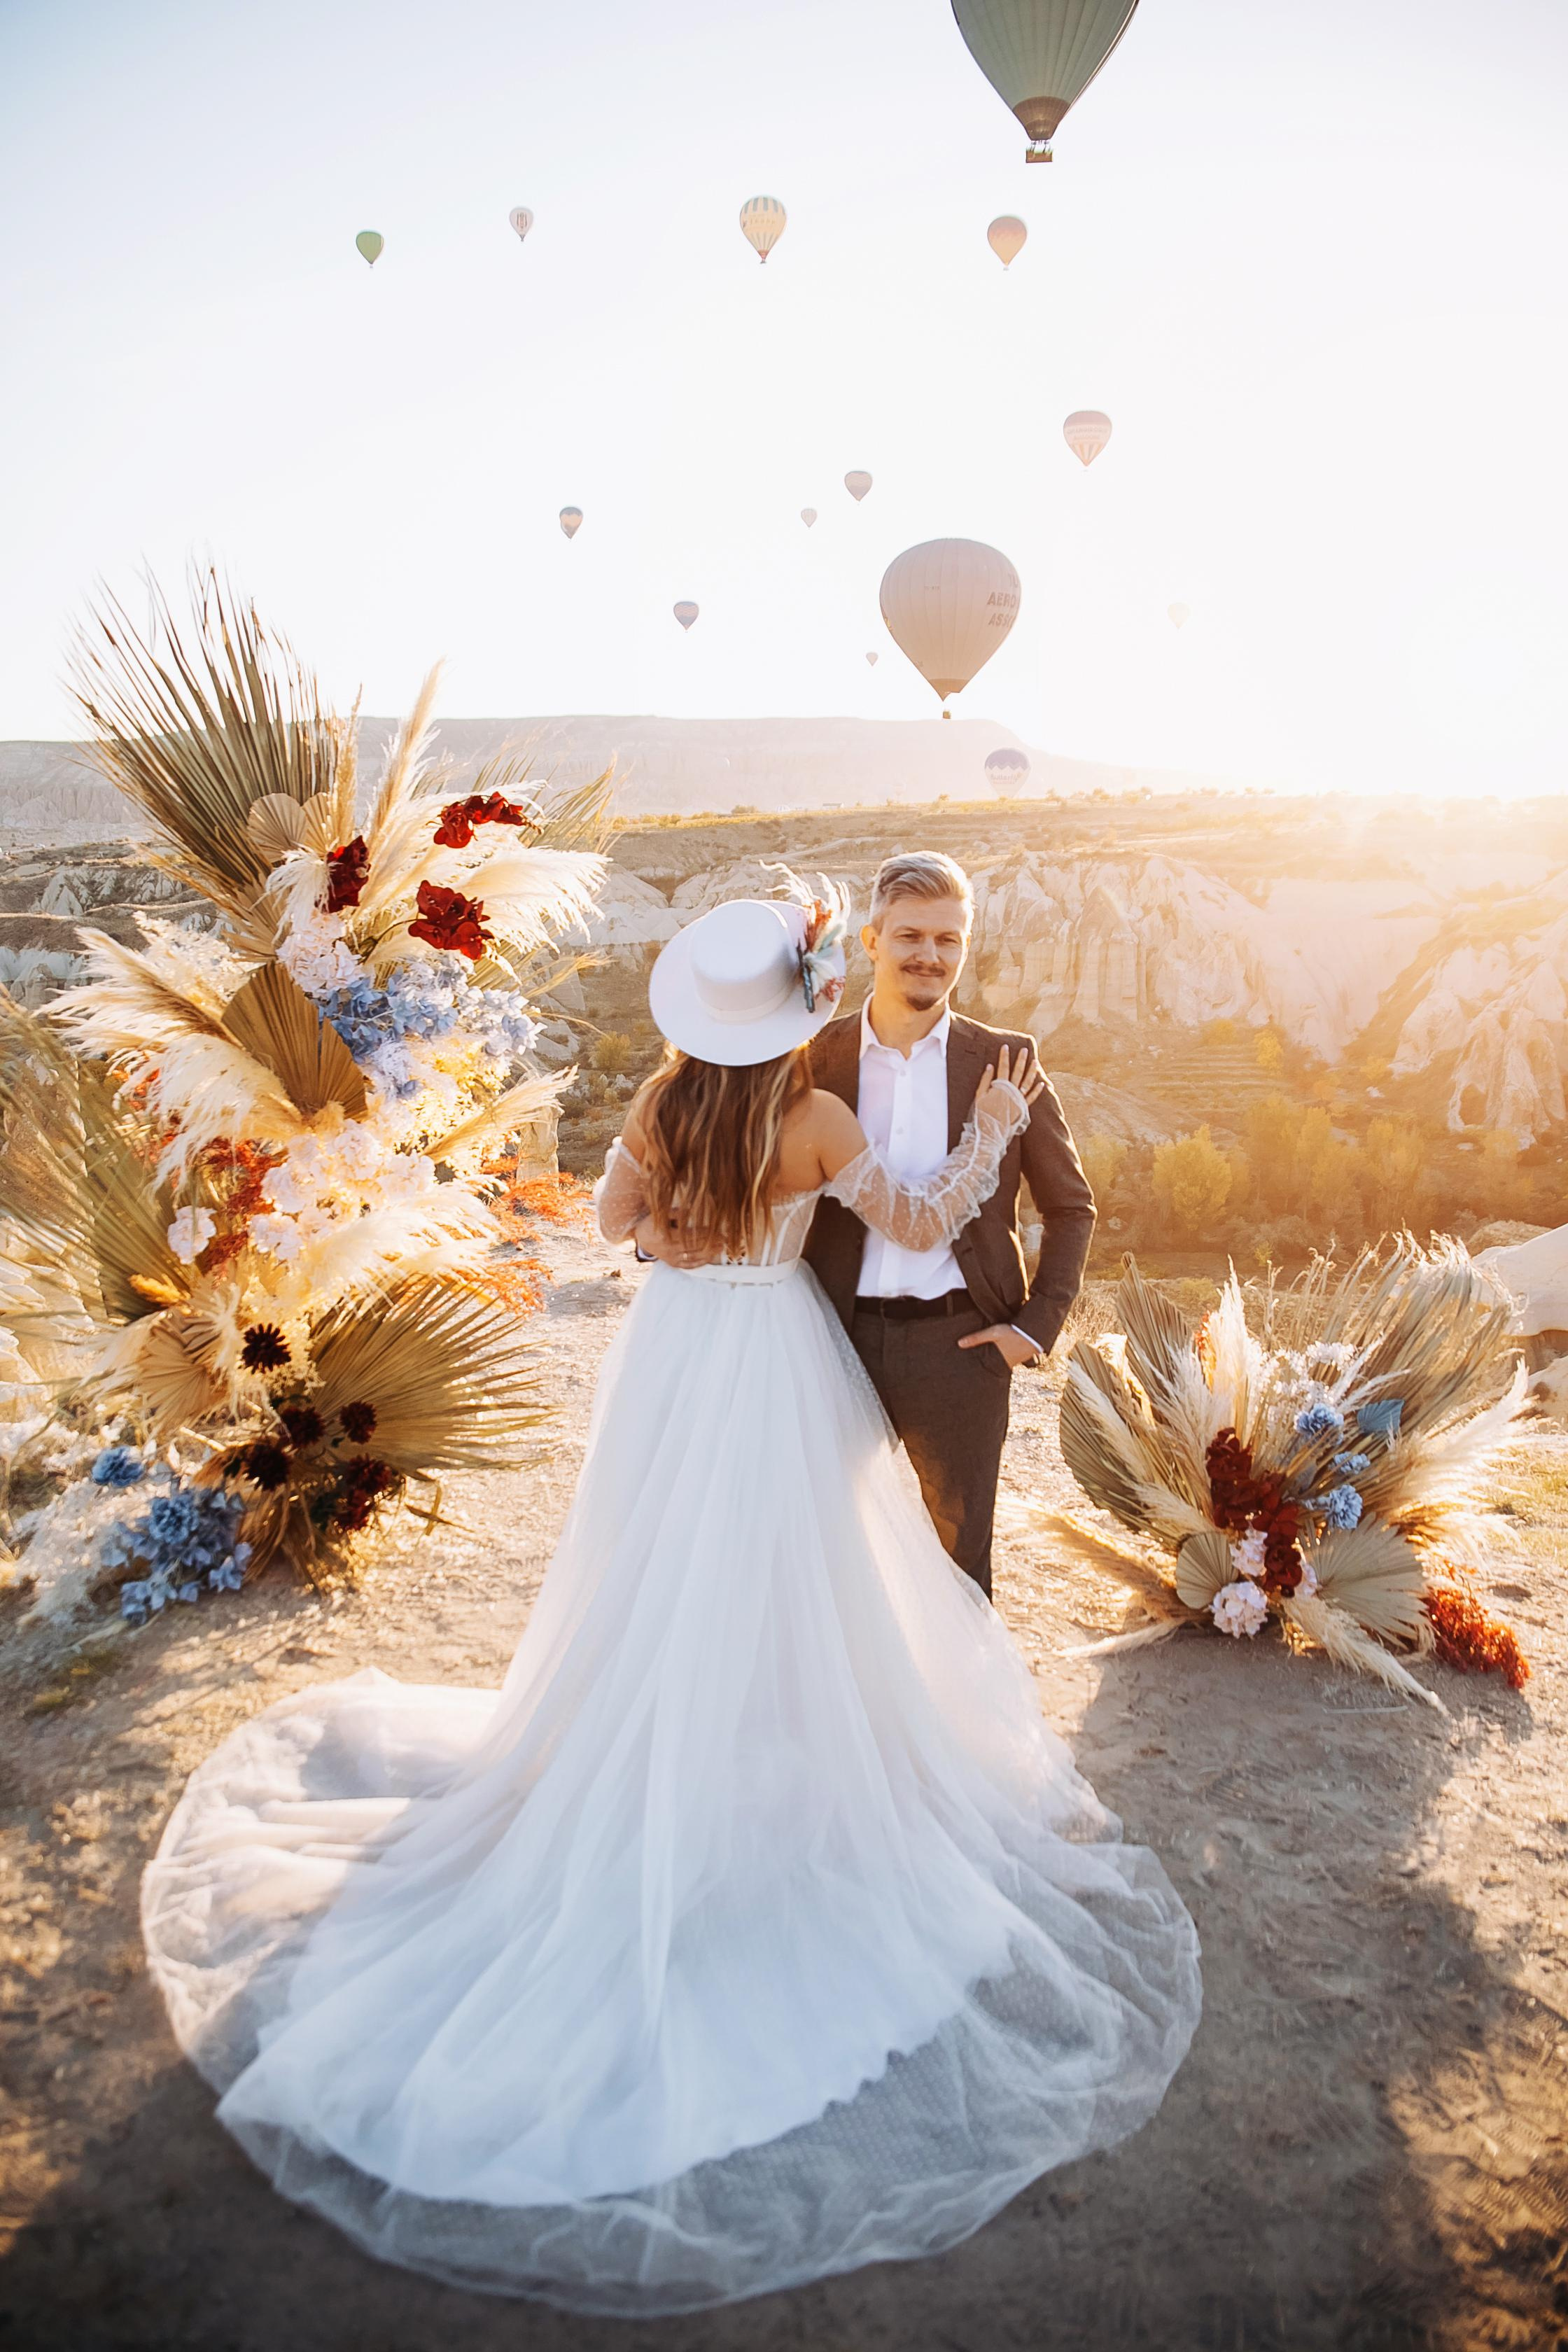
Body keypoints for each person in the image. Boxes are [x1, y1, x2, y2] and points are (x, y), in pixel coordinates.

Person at [141, 891, 1199, 2318]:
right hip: (769, 1356)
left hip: (670, 1363)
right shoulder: (816, 1125)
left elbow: (607, 1220)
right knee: (787, 1566)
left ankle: (646, 1749)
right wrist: (997, 1137)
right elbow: (938, 1215)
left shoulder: (657, 1098)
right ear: (797, 1009)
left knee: (651, 1564)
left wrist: (666, 1256)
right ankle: (774, 1752)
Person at [805, 851, 1095, 1597]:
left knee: (959, 1570)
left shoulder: (1006, 1060)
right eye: (909, 937)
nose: (928, 957)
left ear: (964, 948)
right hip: (832, 1343)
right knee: (826, 1549)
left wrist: (1033, 1329)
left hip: (961, 1349)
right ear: (871, 942)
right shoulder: (815, 1057)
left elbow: (1069, 1206)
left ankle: (963, 1716)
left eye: (947, 940)